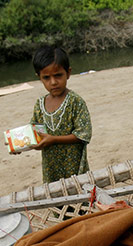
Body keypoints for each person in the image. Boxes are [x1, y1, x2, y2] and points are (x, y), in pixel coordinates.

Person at [30, 46, 92, 183]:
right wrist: (18, 145)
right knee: (55, 197)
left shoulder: (75, 102)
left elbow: (83, 134)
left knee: (77, 195)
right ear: (39, 78)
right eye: (46, 77)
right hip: (50, 167)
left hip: (73, 165)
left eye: (58, 75)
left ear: (68, 73)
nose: (53, 82)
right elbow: (34, 132)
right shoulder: (40, 104)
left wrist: (54, 139)